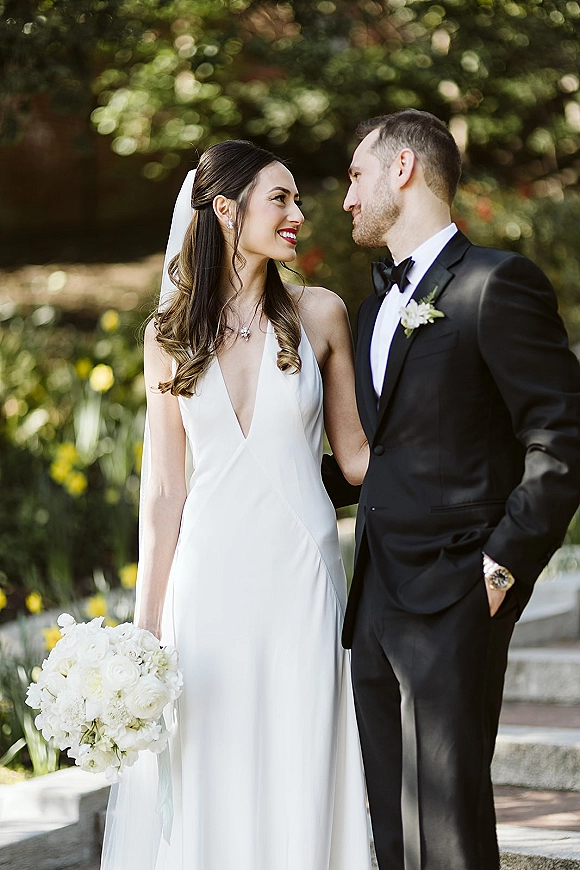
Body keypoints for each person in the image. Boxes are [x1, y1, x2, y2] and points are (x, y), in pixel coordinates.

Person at [100, 139, 373, 870]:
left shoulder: (322, 314)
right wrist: (145, 631)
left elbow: (355, 459)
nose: (299, 215)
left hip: (303, 575)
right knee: (210, 763)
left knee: (305, 752)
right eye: (280, 199)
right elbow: (163, 492)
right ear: (227, 209)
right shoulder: (168, 336)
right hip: (209, 580)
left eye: (298, 200)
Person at [337, 109, 580, 870]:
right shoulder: (372, 309)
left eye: (355, 175)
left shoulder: (495, 283)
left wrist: (501, 565)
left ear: (401, 170)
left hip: (457, 591)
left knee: (450, 825)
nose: (346, 198)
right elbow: (376, 456)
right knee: (392, 824)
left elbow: (563, 435)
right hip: (375, 598)